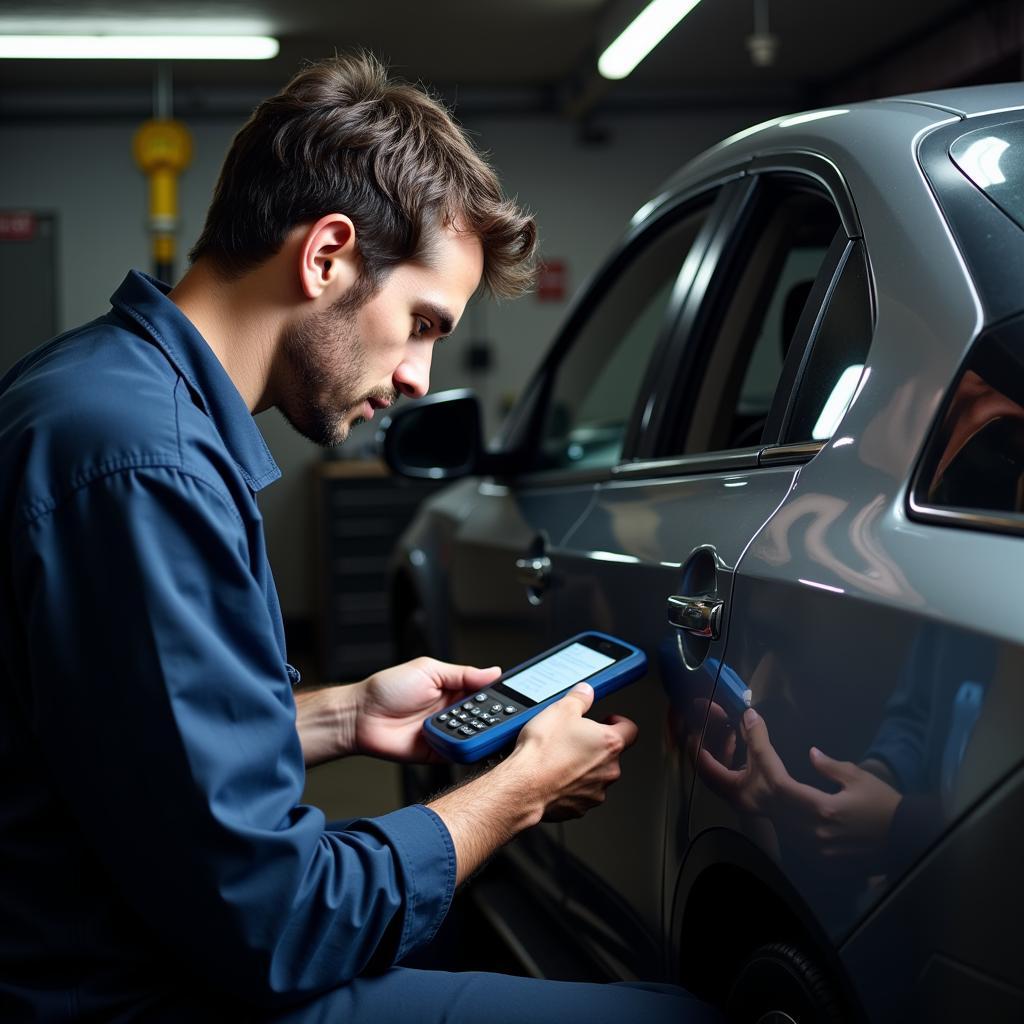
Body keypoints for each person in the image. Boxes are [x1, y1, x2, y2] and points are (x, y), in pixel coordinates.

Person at [0, 53, 719, 1022]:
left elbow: (119, 744)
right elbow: (284, 922)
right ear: (326, 255)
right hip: (124, 989)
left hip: (124, 932)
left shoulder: (103, 391)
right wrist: (517, 792)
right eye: (420, 322)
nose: (422, 375)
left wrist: (341, 718)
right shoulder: (144, 466)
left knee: (456, 928)